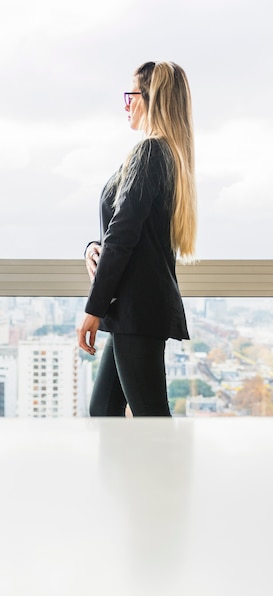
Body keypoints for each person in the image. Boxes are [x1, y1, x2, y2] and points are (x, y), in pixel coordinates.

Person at [77, 61, 197, 417]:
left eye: (131, 96)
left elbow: (124, 234)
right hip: (132, 311)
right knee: (104, 415)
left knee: (153, 422)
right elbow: (123, 229)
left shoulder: (150, 153)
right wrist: (91, 249)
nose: (126, 104)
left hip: (136, 311)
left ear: (151, 99)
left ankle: (172, 475)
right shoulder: (161, 154)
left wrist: (93, 309)